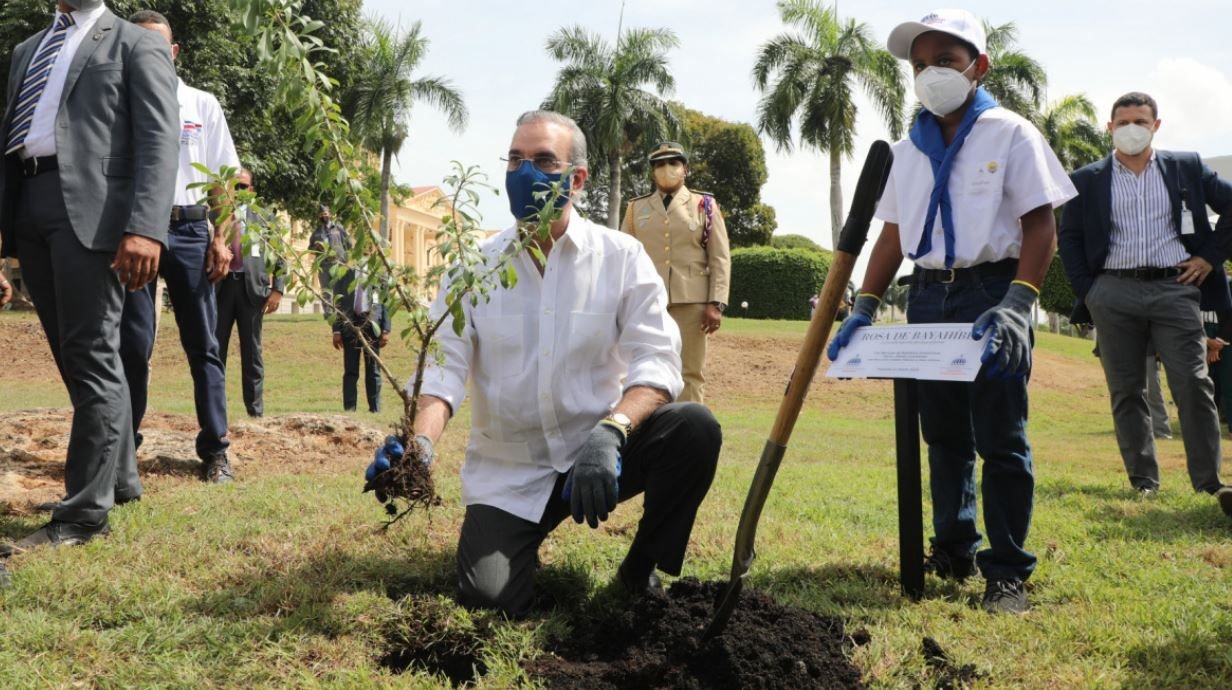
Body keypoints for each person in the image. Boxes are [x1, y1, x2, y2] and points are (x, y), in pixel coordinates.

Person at [369, 111, 721, 617]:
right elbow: (443, 369)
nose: (524, 172)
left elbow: (658, 361)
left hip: (600, 459)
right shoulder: (474, 268)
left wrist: (612, 431)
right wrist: (420, 443)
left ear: (576, 179)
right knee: (487, 601)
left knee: (694, 428)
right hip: (509, 473)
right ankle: (507, 555)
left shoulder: (621, 258)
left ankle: (638, 571)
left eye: (542, 161)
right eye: (515, 159)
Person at [827, 9, 1077, 613]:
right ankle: (955, 547)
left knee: (1000, 434)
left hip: (991, 293)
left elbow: (1040, 224)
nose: (930, 74)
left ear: (978, 66)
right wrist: (864, 303)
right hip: (928, 296)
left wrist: (1021, 301)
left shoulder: (1009, 132)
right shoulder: (907, 149)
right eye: (919, 65)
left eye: (944, 61)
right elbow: (892, 233)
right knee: (942, 433)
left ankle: (1007, 570)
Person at [0, 0, 178, 554]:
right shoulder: (27, 50)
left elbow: (159, 138)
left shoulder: (134, 41)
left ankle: (82, 516)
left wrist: (146, 227)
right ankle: (119, 481)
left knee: (93, 354)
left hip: (93, 213)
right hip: (29, 205)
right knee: (75, 357)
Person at [1058, 91, 1232, 516]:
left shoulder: (1186, 167)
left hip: (1175, 288)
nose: (1131, 129)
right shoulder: (1086, 179)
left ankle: (1210, 484)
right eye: (1123, 122)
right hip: (1112, 292)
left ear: (1156, 125)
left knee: (1193, 383)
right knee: (1126, 389)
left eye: (1140, 121)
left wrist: (1209, 257)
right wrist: (1089, 290)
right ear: (1109, 127)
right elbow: (1071, 237)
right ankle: (1144, 482)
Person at [119, 10, 241, 484]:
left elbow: (225, 179)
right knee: (132, 345)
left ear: (172, 53)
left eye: (157, 47)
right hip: (136, 234)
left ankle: (215, 451)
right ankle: (124, 448)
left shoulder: (201, 104)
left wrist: (222, 238)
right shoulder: (118, 104)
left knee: (204, 345)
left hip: (191, 232)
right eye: (137, 46)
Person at [621, 142, 731, 403]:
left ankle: (689, 438)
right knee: (643, 370)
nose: (666, 169)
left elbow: (720, 258)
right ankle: (650, 433)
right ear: (652, 172)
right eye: (659, 164)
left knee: (690, 372)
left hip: (692, 303)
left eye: (673, 163)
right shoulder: (636, 209)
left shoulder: (704, 205)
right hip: (646, 301)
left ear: (686, 170)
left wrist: (716, 303)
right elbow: (624, 257)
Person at [214, 169, 286, 418]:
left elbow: (280, 253)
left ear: (252, 191)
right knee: (215, 352)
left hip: (252, 291)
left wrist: (277, 289)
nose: (240, 191)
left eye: (244, 186)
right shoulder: (217, 215)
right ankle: (215, 413)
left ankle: (255, 412)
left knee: (252, 354)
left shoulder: (264, 218)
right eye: (235, 186)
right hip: (221, 289)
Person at [331, 260, 390, 413]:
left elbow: (385, 301)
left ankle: (375, 409)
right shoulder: (344, 272)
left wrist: (386, 329)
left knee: (373, 370)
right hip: (350, 323)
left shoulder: (379, 272)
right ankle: (350, 409)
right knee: (350, 370)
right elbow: (337, 301)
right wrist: (336, 330)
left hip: (372, 324)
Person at [309, 204, 348, 314]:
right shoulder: (316, 232)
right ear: (318, 216)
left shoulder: (338, 228)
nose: (323, 216)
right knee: (326, 290)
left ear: (330, 215)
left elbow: (347, 243)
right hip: (323, 265)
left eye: (325, 214)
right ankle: (328, 314)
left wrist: (344, 258)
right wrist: (315, 247)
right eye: (321, 214)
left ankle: (341, 313)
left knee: (338, 289)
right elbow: (310, 248)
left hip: (337, 263)